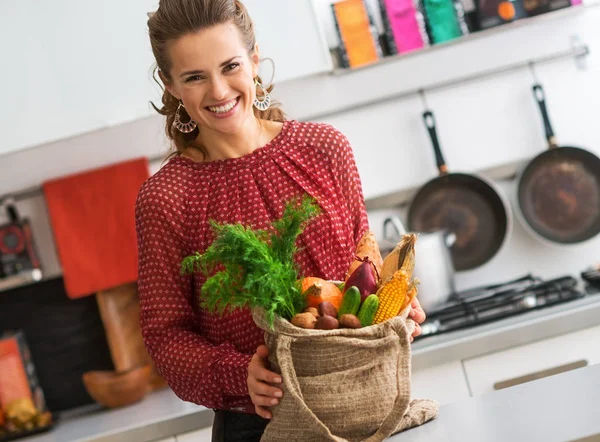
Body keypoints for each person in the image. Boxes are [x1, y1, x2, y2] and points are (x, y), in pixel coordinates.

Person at [135, 0, 426, 440]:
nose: (218, 91)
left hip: (363, 401)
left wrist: (395, 306)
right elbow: (166, 336)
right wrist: (241, 375)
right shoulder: (167, 198)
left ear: (253, 60)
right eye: (195, 77)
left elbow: (362, 261)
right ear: (171, 84)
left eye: (229, 65)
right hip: (259, 424)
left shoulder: (324, 148)